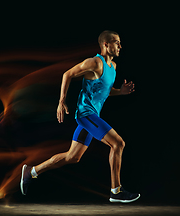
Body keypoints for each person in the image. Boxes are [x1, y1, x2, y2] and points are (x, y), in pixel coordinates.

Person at [20, 30, 140, 203]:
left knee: (72, 157)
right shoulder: (94, 63)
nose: (120, 46)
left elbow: (103, 91)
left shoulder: (113, 67)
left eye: (120, 42)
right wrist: (62, 101)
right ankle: (116, 191)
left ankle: (31, 171)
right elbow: (67, 74)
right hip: (86, 115)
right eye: (116, 42)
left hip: (93, 116)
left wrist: (120, 92)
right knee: (118, 143)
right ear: (105, 45)